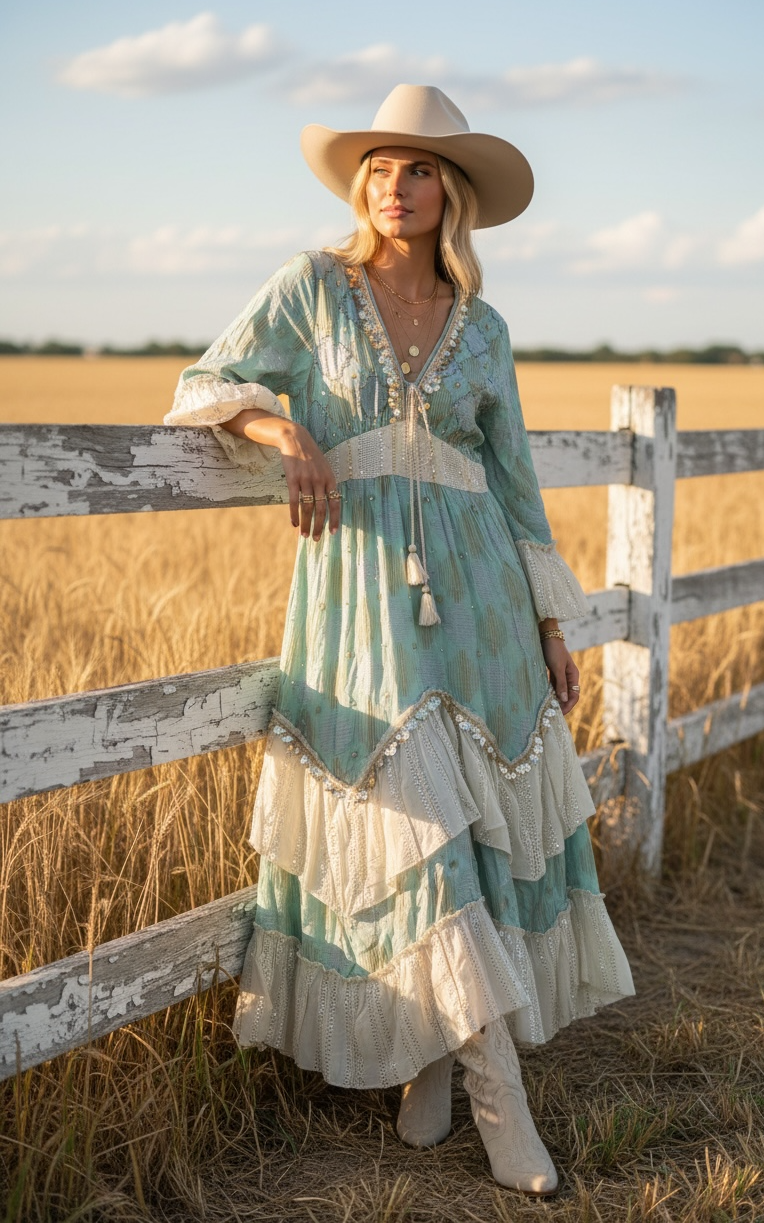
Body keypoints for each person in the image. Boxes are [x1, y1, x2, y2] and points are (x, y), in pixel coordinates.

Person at [164, 84, 635, 1196]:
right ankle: (498, 1098)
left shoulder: (488, 330)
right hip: (359, 602)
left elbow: (515, 489)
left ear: (450, 193)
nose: (396, 184)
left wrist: (550, 625)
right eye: (381, 165)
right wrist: (286, 430)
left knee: (465, 835)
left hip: (480, 611)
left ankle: (439, 1054)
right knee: (408, 820)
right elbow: (201, 383)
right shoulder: (310, 289)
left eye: (419, 168)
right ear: (361, 184)